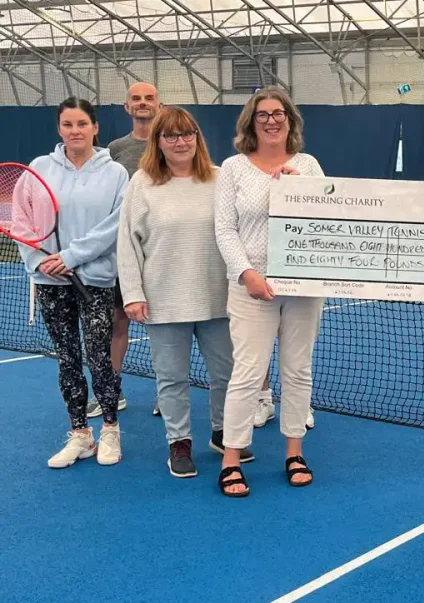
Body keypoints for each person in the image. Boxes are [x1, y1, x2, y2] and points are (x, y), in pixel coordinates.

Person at [116, 106, 255, 478]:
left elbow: (247, 223)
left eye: (187, 133)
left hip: (220, 297)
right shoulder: (142, 183)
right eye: (171, 135)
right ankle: (178, 443)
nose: (181, 142)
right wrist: (132, 293)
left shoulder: (221, 178)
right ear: (158, 142)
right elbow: (127, 243)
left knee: (227, 374)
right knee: (172, 378)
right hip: (163, 300)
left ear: (198, 137)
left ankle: (224, 434)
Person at [214, 86, 324, 497]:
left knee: (297, 370)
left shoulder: (309, 165)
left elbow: (326, 220)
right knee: (246, 373)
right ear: (251, 122)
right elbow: (225, 228)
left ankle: (294, 452)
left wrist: (301, 190)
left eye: (279, 113)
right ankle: (232, 457)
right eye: (263, 114)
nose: (272, 120)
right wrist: (246, 273)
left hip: (304, 290)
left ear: (290, 120)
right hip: (251, 289)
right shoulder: (233, 168)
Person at [15, 97, 129, 468]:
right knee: (67, 359)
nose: (75, 131)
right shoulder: (39, 168)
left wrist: (70, 257)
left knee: (99, 358)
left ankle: (110, 429)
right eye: (68, 125)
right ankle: (80, 434)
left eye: (82, 124)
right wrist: (41, 261)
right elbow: (22, 222)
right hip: (50, 282)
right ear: (59, 129)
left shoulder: (115, 174)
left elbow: (114, 227)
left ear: (95, 127)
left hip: (94, 280)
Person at [92, 81, 162, 420]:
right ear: (127, 107)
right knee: (119, 321)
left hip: (164, 251)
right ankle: (112, 391)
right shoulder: (115, 149)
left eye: (149, 98)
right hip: (125, 253)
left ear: (158, 104)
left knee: (168, 326)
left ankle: (168, 392)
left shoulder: (172, 142)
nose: (143, 103)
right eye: (136, 99)